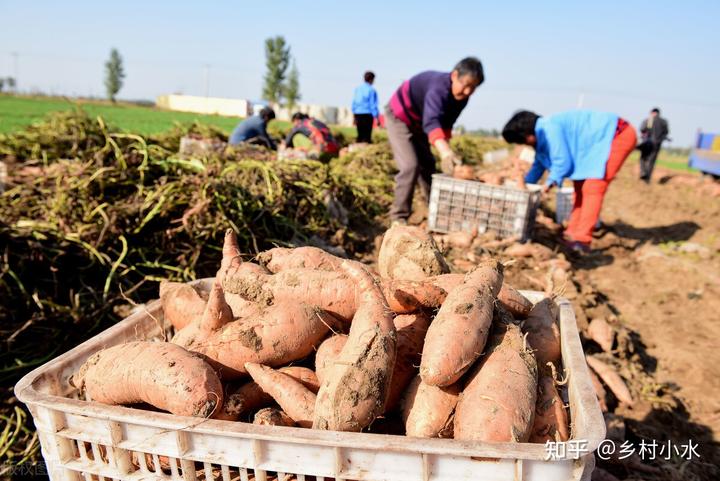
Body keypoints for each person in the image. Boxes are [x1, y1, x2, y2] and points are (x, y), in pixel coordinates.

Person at [502, 109, 637, 252]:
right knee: (579, 187)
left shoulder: (549, 129)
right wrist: (525, 186)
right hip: (594, 146)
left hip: (616, 135)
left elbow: (562, 161)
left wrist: (550, 183)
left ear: (527, 135)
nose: (526, 144)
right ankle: (572, 232)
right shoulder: (541, 133)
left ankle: (582, 239)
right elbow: (539, 164)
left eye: (522, 141)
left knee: (592, 188)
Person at [386, 57, 485, 224]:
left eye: (473, 88)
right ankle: (398, 217)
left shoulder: (461, 98)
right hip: (400, 117)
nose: (468, 91)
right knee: (410, 165)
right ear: (454, 75)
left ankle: (434, 208)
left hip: (420, 124)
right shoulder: (438, 88)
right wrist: (445, 152)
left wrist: (446, 149)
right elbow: (431, 122)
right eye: (466, 85)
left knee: (428, 164)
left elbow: (445, 124)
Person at [638, 107, 669, 183]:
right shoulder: (663, 122)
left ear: (652, 113)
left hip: (647, 143)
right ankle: (647, 178)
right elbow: (666, 132)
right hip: (657, 144)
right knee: (651, 161)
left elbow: (642, 129)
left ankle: (643, 172)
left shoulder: (649, 120)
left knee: (643, 158)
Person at [352, 71, 380, 143]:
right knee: (367, 136)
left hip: (358, 113)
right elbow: (373, 104)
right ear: (371, 79)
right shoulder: (371, 90)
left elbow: (354, 102)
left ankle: (357, 150)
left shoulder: (358, 89)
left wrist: (354, 114)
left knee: (360, 135)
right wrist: (376, 117)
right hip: (367, 114)